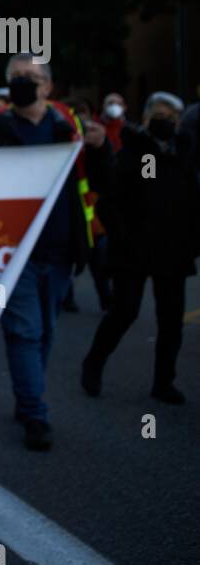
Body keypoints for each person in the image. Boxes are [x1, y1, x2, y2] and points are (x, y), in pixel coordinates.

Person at [0, 54, 110, 451]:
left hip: (63, 247)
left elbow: (101, 177)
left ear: (47, 86)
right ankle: (35, 413)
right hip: (12, 252)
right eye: (16, 78)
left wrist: (101, 148)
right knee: (24, 331)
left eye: (31, 78)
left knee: (45, 329)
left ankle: (29, 397)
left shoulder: (72, 126)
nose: (23, 84)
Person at [82, 92, 197, 404]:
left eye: (172, 118)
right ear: (146, 119)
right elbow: (108, 200)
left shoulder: (183, 154)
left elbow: (192, 199)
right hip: (133, 249)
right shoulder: (134, 154)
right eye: (160, 116)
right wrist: (124, 237)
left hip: (173, 250)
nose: (166, 123)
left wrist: (191, 240)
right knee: (124, 312)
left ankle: (164, 382)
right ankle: (94, 363)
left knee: (171, 321)